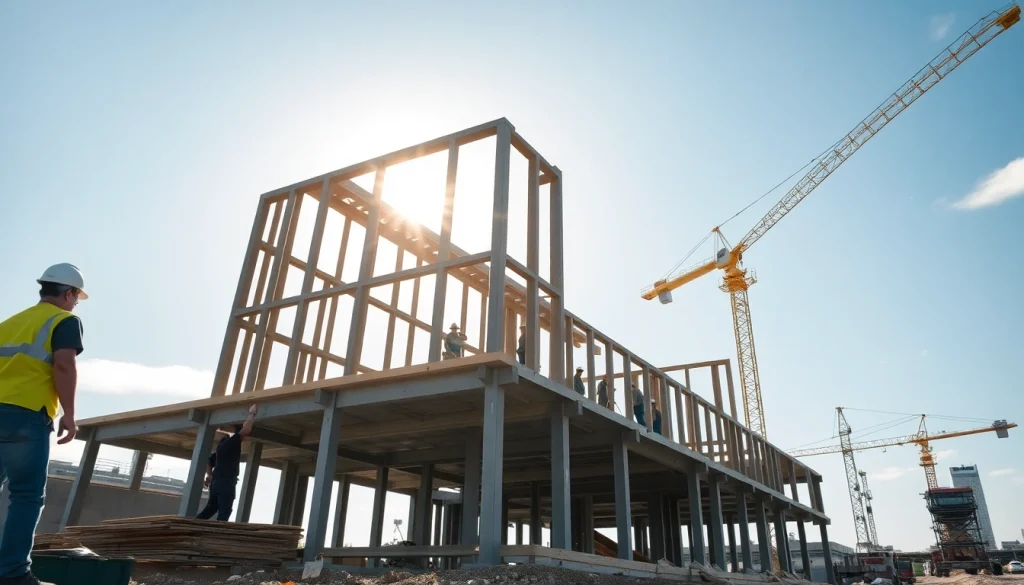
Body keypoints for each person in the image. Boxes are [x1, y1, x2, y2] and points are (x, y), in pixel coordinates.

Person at [0, 263, 87, 585]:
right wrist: (69, 413)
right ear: (68, 293)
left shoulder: (10, 322)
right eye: (76, 297)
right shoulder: (65, 321)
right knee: (25, 496)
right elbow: (64, 365)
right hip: (26, 415)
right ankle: (12, 575)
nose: (76, 304)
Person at [197, 404, 258, 521]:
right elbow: (246, 430)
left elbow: (209, 461)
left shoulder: (221, 446)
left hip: (216, 483)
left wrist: (209, 475)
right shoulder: (232, 442)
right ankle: (217, 535)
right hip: (226, 482)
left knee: (211, 508)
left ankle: (192, 526)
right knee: (225, 511)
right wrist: (252, 414)